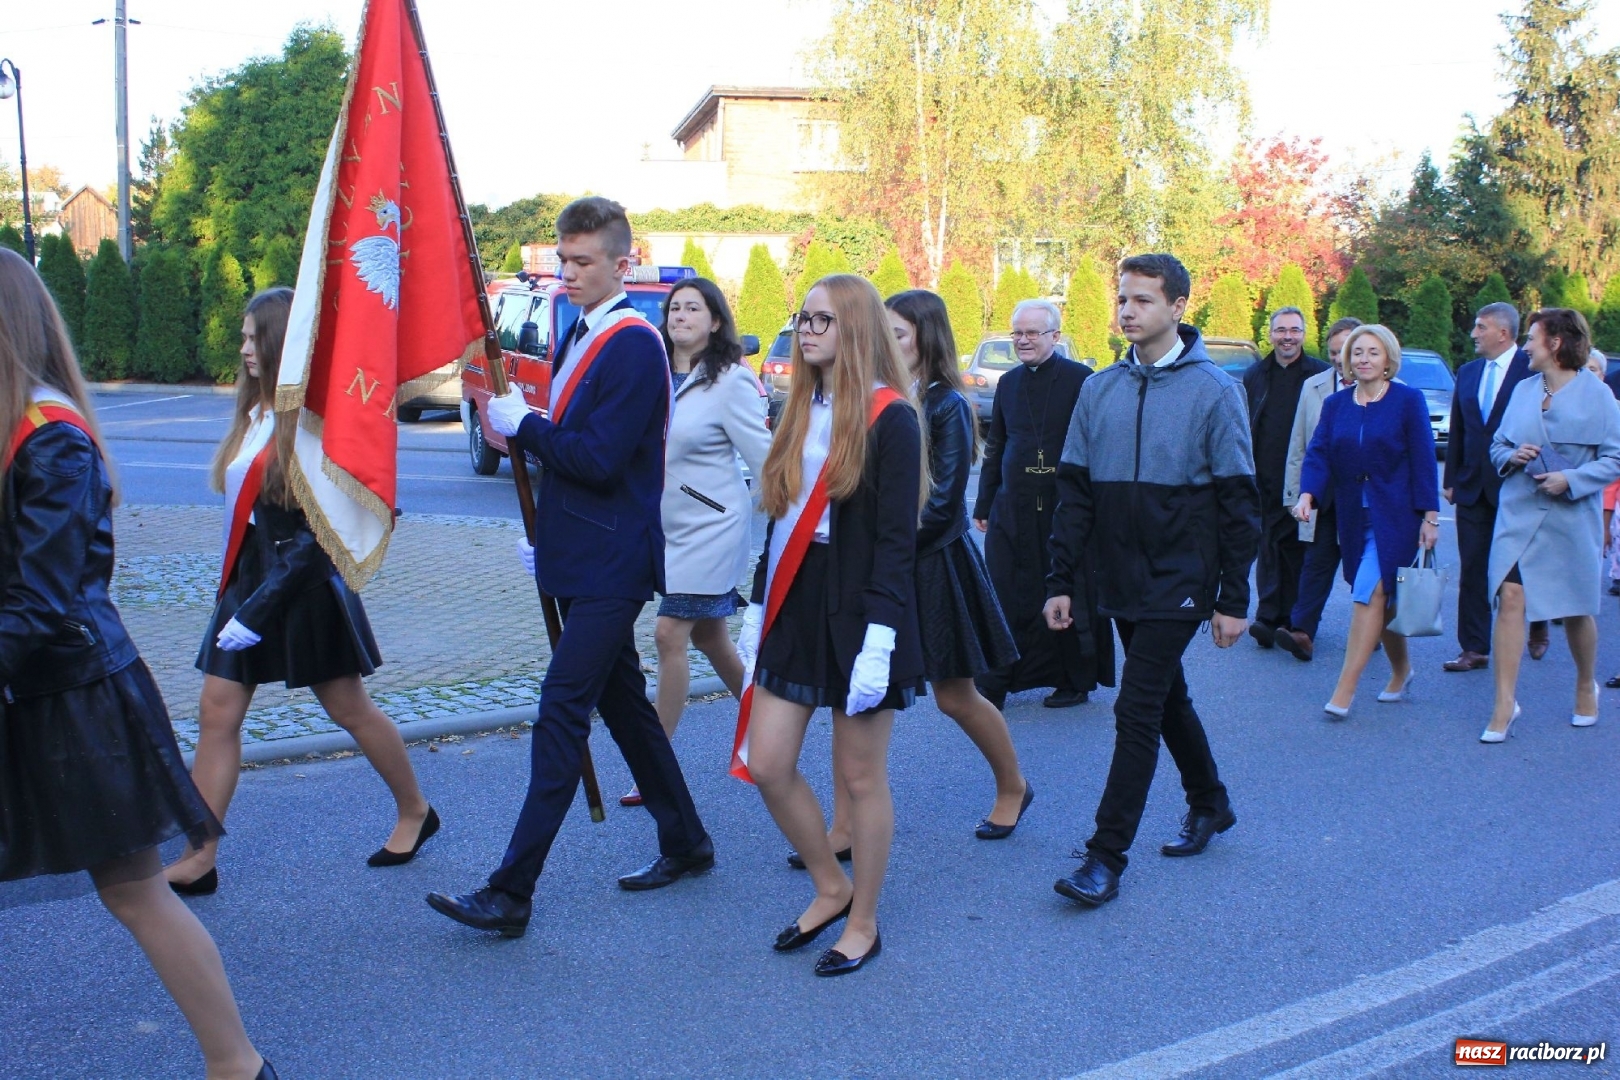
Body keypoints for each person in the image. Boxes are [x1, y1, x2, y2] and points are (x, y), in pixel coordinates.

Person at [0, 249, 275, 1079]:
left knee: (134, 891)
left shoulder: (50, 438)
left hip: (72, 700)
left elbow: (40, 604)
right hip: (36, 689)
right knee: (134, 892)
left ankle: (237, 1064)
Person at [427, 197, 712, 938]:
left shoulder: (633, 344)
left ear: (623, 264)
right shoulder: (580, 331)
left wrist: (532, 426)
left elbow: (596, 458)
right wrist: (547, 532)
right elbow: (575, 453)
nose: (568, 272)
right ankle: (686, 840)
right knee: (624, 708)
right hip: (585, 557)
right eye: (564, 258)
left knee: (561, 710)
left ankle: (511, 890)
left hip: (615, 563)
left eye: (583, 261)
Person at [167, 287, 435, 895]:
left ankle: (415, 809)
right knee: (217, 711)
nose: (243, 350)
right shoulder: (256, 411)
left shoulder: (312, 424)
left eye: (251, 337)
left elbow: (319, 537)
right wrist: (241, 597)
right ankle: (202, 851)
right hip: (250, 580)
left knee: (347, 709)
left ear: (283, 343)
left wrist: (259, 607)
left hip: (304, 585)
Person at [1044, 254, 1258, 908]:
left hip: (1181, 578)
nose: (1127, 310)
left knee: (1136, 708)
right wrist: (1061, 580)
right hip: (1118, 575)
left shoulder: (1215, 391)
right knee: (1165, 698)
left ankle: (1106, 857)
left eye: (1141, 300)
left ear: (1178, 308)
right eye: (1123, 299)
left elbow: (1239, 502)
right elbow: (1075, 494)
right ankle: (1210, 801)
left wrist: (1232, 598)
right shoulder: (1098, 389)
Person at [733, 273, 926, 975]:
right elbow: (780, 516)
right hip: (797, 598)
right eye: (802, 319)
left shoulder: (891, 417)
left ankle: (864, 922)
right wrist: (758, 606)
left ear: (854, 327)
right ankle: (829, 883)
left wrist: (880, 641)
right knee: (769, 762)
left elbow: (897, 544)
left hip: (864, 609)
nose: (807, 330)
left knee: (861, 777)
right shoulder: (798, 406)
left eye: (821, 320)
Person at [802, 290, 1030, 863]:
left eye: (898, 335)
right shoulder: (867, 397)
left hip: (930, 567)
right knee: (850, 697)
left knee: (956, 696)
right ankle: (846, 824)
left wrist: (880, 546)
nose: (886, 344)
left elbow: (944, 504)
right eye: (883, 333)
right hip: (875, 566)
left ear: (926, 340)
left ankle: (1013, 786)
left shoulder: (946, 404)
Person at [618, 278, 771, 807]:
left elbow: (764, 457)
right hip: (665, 530)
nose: (680, 316)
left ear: (715, 321)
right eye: (674, 308)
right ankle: (768, 730)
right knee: (711, 639)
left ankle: (653, 766)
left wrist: (782, 526)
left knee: (668, 634)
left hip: (713, 530)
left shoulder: (730, 380)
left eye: (692, 308)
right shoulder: (656, 373)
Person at [1480, 309, 1620, 741]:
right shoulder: (1522, 390)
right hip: (1519, 511)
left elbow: (1614, 459)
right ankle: (1504, 703)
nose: (1524, 347)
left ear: (1556, 343)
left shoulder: (1598, 397)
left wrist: (1572, 479)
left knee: (1576, 607)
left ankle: (1584, 684)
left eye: (1532, 339)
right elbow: (1498, 443)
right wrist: (1511, 456)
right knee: (1511, 597)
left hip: (1570, 515)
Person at [972, 299, 1113, 710]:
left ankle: (1074, 679)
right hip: (1012, 506)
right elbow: (996, 444)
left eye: (1033, 333)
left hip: (1063, 505)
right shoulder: (1009, 383)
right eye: (1017, 333)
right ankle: (998, 678)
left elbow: (1098, 447)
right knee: (1005, 588)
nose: (1023, 340)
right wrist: (984, 502)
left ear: (1055, 335)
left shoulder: (1082, 381)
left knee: (1066, 588)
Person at [1295, 324, 1439, 718]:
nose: (1364, 359)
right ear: (1347, 360)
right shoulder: (1337, 404)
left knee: (1368, 593)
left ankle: (1344, 690)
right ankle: (1402, 670)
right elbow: (1319, 452)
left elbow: (1425, 459)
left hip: (1397, 517)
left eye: (1373, 352)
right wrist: (1308, 492)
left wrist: (1431, 516)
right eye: (1357, 353)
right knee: (1385, 601)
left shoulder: (1408, 401)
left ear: (1389, 358)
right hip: (1352, 517)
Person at [1443, 302, 1547, 672]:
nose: (1473, 333)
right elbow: (1460, 429)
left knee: (1520, 568)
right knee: (1473, 567)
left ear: (1503, 333)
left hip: (1519, 484)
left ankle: (1537, 623)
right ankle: (1474, 647)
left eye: (1480, 327)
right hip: (1472, 487)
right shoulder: (1468, 373)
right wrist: (1451, 478)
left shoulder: (1531, 369)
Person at [1243, 307, 1330, 649]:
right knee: (1268, 546)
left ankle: (1295, 617)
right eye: (1281, 330)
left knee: (1297, 547)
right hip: (1263, 475)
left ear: (1304, 334)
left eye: (1294, 330)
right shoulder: (1255, 375)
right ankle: (1267, 616)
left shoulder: (1318, 375)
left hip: (1305, 477)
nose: (1287, 337)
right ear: (1271, 334)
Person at [1277, 317, 1361, 660]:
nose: (1341, 359)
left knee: (1365, 572)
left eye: (1348, 351)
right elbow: (1301, 446)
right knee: (1316, 564)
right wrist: (1295, 495)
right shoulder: (1315, 388)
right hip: (1325, 496)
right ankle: (1302, 632)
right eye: (1334, 352)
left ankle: (1375, 631)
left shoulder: (1396, 391)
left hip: (1368, 499)